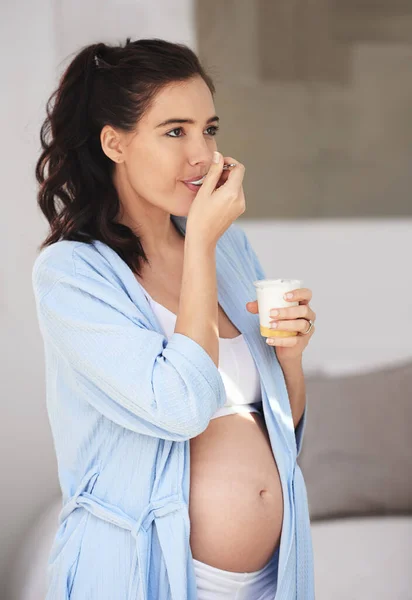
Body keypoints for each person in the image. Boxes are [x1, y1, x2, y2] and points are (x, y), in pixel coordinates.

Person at [32, 37, 315, 599]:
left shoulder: (228, 251)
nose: (202, 155)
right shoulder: (72, 275)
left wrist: (289, 359)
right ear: (115, 143)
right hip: (151, 574)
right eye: (174, 131)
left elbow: (278, 433)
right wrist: (202, 245)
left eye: (209, 130)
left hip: (269, 579)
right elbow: (181, 408)